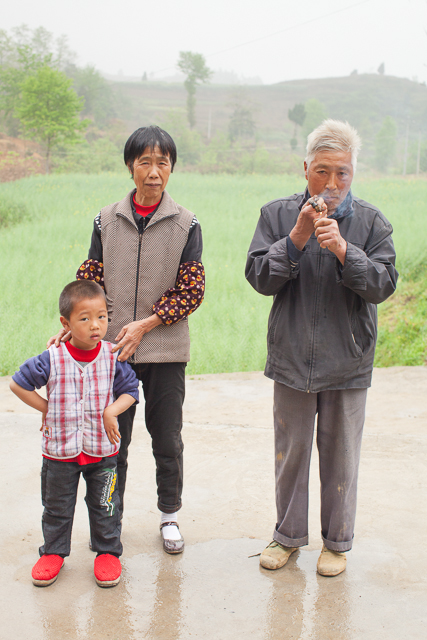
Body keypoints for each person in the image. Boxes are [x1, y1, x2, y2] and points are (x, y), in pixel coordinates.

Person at [245, 120, 398, 576]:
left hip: (347, 360)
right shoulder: (277, 215)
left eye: (342, 173)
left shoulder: (371, 222)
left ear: (353, 173)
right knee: (290, 454)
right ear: (305, 168)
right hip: (292, 358)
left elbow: (384, 284)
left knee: (341, 457)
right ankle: (287, 537)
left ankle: (337, 544)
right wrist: (296, 239)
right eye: (322, 171)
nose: (331, 183)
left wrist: (346, 252)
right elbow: (259, 278)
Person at [50, 125, 204, 554]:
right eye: (145, 162)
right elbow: (91, 279)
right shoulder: (106, 220)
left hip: (165, 351)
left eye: (162, 163)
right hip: (114, 352)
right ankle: (109, 521)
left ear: (172, 168)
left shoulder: (186, 224)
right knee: (113, 442)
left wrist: (144, 325)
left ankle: (169, 515)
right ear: (130, 166)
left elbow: (191, 290)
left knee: (167, 439)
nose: (154, 172)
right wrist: (75, 323)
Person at [10, 280, 139, 587]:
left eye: (102, 317)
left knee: (106, 506)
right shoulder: (52, 357)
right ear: (65, 323)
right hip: (60, 452)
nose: (95, 325)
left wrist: (111, 411)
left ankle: (107, 552)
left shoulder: (112, 356)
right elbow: (18, 384)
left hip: (102, 452)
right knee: (56, 507)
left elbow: (131, 391)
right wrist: (47, 407)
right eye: (85, 318)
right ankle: (53, 552)